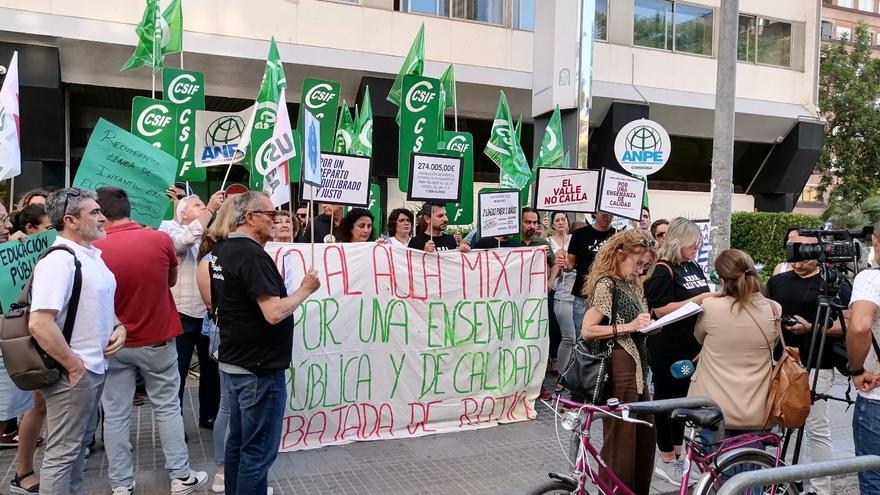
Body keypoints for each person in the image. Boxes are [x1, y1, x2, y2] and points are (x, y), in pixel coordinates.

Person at [92, 187, 208, 494]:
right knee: (168, 407)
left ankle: (120, 483)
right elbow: (169, 280)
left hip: (113, 343)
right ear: (129, 208)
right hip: (157, 338)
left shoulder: (94, 248)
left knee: (115, 413)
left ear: (101, 214)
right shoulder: (158, 239)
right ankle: (180, 476)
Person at [211, 191, 320, 494]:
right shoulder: (252, 256)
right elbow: (273, 313)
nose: (276, 220)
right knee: (257, 452)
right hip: (258, 369)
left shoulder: (224, 249)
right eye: (270, 214)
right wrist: (304, 289)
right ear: (250, 218)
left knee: (238, 444)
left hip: (235, 361)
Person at [29, 188, 125, 495]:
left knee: (75, 453)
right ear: (69, 220)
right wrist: (74, 367)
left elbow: (99, 304)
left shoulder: (92, 255)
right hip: (74, 373)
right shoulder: (60, 260)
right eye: (94, 213)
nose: (102, 217)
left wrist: (118, 326)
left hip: (91, 369)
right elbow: (40, 322)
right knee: (62, 455)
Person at [767, 234, 850, 495]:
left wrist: (813, 328)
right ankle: (786, 479)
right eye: (794, 251)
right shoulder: (777, 282)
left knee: (816, 427)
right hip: (782, 362)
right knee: (783, 423)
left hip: (817, 364)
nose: (799, 260)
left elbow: (847, 325)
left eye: (805, 253)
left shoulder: (834, 283)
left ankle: (820, 488)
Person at [580, 229, 657, 494]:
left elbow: (632, 324)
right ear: (621, 254)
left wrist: (646, 326)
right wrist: (630, 326)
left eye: (646, 265)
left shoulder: (629, 284)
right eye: (639, 263)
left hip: (636, 366)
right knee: (622, 440)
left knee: (644, 435)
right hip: (619, 367)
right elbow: (588, 329)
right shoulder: (607, 284)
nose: (641, 269)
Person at [644, 217, 718, 485]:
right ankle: (666, 457)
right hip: (667, 348)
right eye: (692, 240)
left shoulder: (693, 267)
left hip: (692, 346)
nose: (697, 245)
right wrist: (697, 300)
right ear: (679, 240)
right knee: (667, 401)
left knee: (683, 402)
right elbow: (659, 308)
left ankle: (678, 453)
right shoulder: (662, 270)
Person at [688, 249, 780, 435]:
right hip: (758, 407)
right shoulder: (773, 309)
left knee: (714, 462)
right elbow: (774, 344)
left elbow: (699, 337)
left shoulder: (711, 307)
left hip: (713, 406)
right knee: (753, 460)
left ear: (721, 279)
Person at [160, 190, 225, 430]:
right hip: (182, 313)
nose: (204, 208)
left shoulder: (209, 234)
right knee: (178, 370)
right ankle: (174, 424)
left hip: (208, 313)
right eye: (198, 205)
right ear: (183, 212)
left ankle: (209, 416)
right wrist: (209, 209)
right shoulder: (168, 229)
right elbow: (182, 243)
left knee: (212, 369)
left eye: (203, 205)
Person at [195, 199, 238, 494]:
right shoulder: (211, 258)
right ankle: (223, 471)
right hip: (230, 337)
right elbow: (213, 304)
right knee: (227, 405)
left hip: (234, 337)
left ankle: (229, 470)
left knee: (232, 406)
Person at [847, 220, 880, 494]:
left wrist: (856, 370)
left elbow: (859, 326)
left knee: (873, 480)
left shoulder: (871, 279)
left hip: (877, 397)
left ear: (876, 243)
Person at [566, 211, 616, 332]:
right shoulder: (579, 234)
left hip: (608, 294)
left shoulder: (617, 235)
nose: (608, 218)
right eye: (604, 214)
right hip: (583, 294)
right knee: (581, 335)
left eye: (611, 215)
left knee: (605, 335)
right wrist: (564, 264)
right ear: (595, 213)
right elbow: (569, 265)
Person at [548, 212, 575, 389]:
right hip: (560, 292)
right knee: (568, 336)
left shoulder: (574, 238)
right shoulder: (548, 241)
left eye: (563, 219)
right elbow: (554, 264)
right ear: (552, 223)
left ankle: (573, 377)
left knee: (577, 338)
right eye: (557, 220)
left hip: (577, 294)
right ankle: (562, 378)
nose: (560, 222)